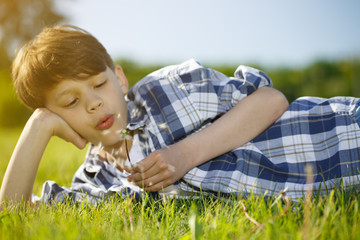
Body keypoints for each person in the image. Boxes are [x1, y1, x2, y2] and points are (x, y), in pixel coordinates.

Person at [0, 25, 359, 204]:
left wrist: (183, 154)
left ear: (120, 78)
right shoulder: (97, 180)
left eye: (98, 84)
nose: (93, 103)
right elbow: (12, 212)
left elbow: (271, 99)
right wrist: (39, 125)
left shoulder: (167, 89)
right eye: (70, 103)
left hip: (339, 131)